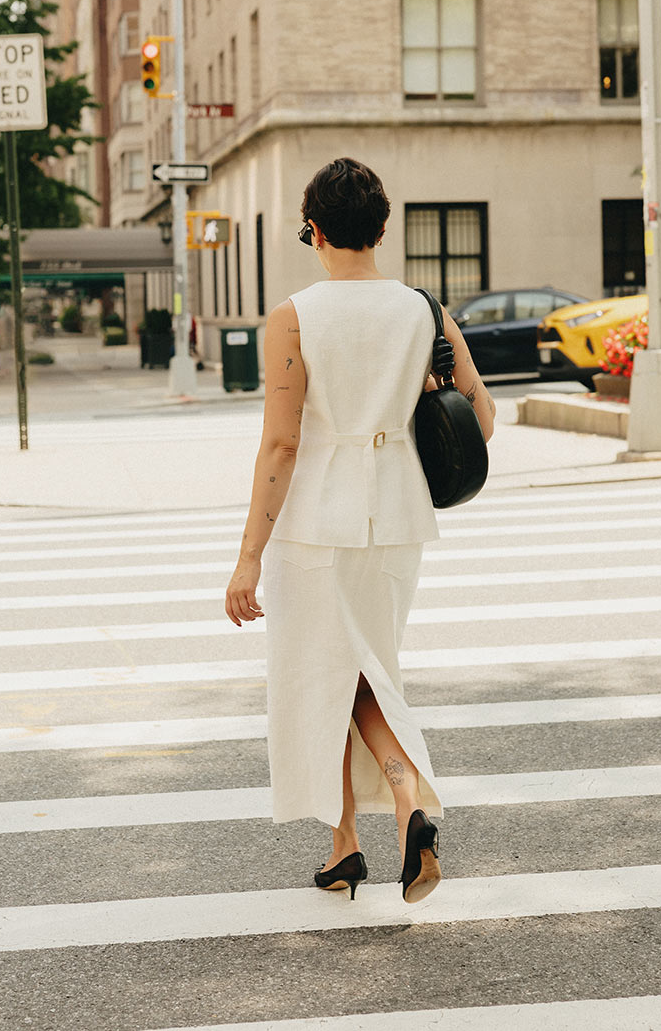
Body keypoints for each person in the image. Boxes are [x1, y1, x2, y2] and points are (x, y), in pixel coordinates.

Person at [225, 158, 495, 905]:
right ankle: (347, 843)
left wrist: (247, 556)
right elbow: (483, 417)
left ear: (313, 230)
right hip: (398, 517)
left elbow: (282, 445)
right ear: (381, 229)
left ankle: (403, 799)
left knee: (330, 677)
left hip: (315, 522)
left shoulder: (294, 315)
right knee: (364, 668)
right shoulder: (424, 310)